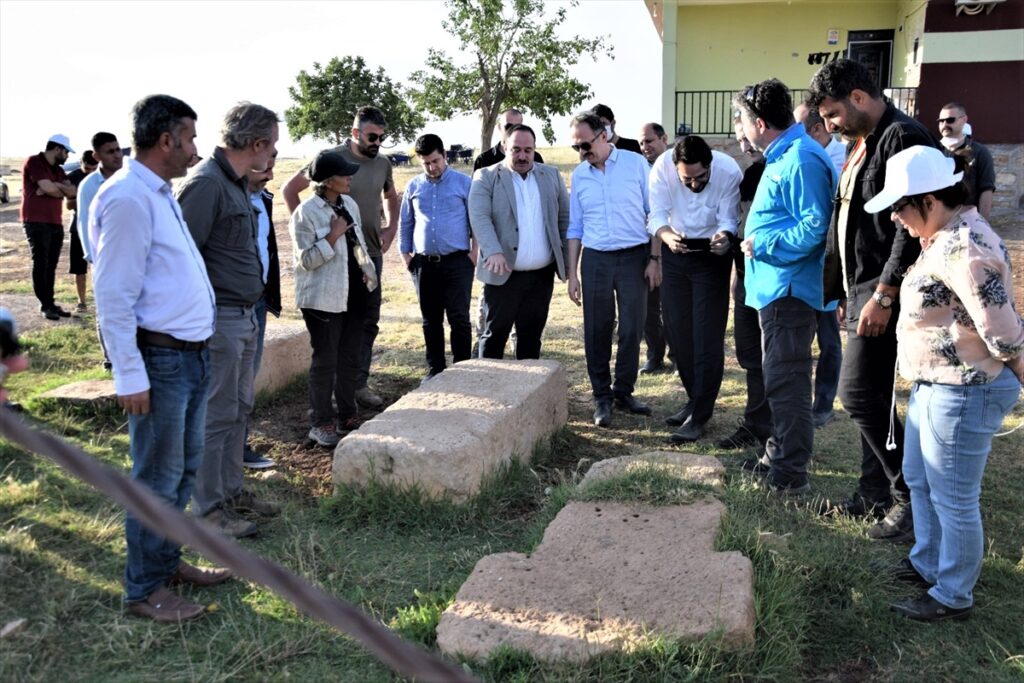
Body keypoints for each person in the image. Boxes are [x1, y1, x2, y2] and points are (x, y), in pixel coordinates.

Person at [862, 146, 1023, 622]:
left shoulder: (968, 246)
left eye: (901, 207)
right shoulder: (943, 237)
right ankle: (929, 562)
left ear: (929, 199)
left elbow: (1002, 330)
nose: (895, 218)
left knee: (953, 495)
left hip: (966, 387)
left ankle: (953, 594)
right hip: (937, 383)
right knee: (921, 480)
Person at [91, 94, 231, 623]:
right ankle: (144, 590)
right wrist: (129, 373)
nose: (195, 148)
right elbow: (114, 295)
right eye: (190, 138)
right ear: (167, 139)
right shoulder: (128, 197)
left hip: (189, 359)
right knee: (156, 477)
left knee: (181, 472)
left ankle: (166, 564)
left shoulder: (157, 193)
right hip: (161, 362)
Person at [808, 58, 938, 539]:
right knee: (875, 397)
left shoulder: (901, 137)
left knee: (858, 393)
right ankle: (872, 494)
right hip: (861, 287)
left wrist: (883, 294)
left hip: (886, 288)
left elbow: (910, 226)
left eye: (833, 114)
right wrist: (842, 289)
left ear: (859, 98)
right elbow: (849, 220)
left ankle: (908, 500)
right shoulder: (863, 141)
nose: (828, 125)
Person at [177, 102, 280, 538]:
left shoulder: (236, 183)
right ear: (256, 144)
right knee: (216, 415)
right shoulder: (205, 184)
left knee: (238, 409)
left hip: (244, 316)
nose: (273, 152)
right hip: (218, 319)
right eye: (272, 145)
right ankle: (209, 510)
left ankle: (232, 491)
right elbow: (181, 259)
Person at [734, 79, 836, 494]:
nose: (739, 128)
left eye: (741, 119)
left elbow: (815, 228)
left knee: (788, 382)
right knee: (779, 379)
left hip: (789, 291)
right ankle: (777, 456)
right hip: (775, 288)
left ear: (759, 122)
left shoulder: (801, 159)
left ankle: (790, 475)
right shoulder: (785, 154)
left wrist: (762, 243)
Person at [283, 106, 400, 411]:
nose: (378, 142)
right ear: (355, 133)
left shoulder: (382, 164)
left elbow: (390, 195)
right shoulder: (330, 159)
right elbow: (290, 190)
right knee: (335, 329)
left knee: (365, 323)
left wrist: (391, 228)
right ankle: (328, 395)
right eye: (373, 136)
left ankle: (356, 386)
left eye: (382, 137)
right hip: (332, 262)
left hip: (368, 255)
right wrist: (316, 228)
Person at [648, 135, 741, 443]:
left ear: (710, 165)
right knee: (677, 329)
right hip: (676, 249)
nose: (693, 184)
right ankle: (693, 398)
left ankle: (701, 414)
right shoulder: (662, 166)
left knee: (706, 335)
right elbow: (657, 213)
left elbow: (729, 218)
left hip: (712, 256)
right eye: (686, 179)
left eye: (701, 177)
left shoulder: (728, 171)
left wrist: (725, 236)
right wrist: (665, 235)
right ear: (676, 168)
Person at [567, 112, 657, 428]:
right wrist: (572, 274)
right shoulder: (579, 175)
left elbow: (654, 214)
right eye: (576, 147)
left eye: (585, 144)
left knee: (632, 327)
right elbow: (575, 226)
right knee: (597, 329)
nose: (581, 152)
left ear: (604, 135)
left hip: (634, 257)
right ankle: (601, 396)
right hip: (596, 261)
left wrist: (654, 259)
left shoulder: (636, 165)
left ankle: (624, 391)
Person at [290, 151, 375, 448]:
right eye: (344, 173)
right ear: (327, 181)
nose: (350, 177)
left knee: (349, 357)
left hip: (352, 293)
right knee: (325, 361)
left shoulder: (349, 203)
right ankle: (321, 422)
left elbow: (359, 245)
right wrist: (333, 236)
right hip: (321, 299)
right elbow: (307, 261)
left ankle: (347, 415)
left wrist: (367, 272)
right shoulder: (305, 213)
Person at [469, 124, 569, 360]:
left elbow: (564, 218)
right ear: (505, 147)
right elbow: (479, 217)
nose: (523, 156)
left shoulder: (551, 175)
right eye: (516, 150)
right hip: (503, 274)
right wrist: (492, 251)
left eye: (528, 150)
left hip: (541, 276)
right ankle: (488, 392)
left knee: (531, 337)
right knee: (494, 337)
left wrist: (566, 261)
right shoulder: (486, 176)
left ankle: (528, 392)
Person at [400, 134, 476, 380]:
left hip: (458, 262)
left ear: (444, 155)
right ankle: (435, 369)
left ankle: (462, 369)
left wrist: (474, 254)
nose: (432, 167)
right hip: (423, 264)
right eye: (426, 163)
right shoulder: (413, 186)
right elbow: (406, 222)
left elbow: (477, 220)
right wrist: (406, 256)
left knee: (459, 318)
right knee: (430, 320)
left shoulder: (464, 183)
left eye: (435, 161)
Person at [717, 119, 771, 451]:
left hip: (774, 283)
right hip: (746, 280)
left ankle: (776, 432)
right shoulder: (747, 176)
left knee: (773, 361)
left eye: (746, 137)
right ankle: (756, 424)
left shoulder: (780, 169)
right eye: (739, 139)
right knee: (750, 357)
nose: (745, 144)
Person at [794, 102, 844, 428]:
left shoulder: (842, 158)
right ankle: (799, 400)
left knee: (828, 338)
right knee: (800, 335)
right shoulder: (799, 156)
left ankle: (823, 404)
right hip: (802, 263)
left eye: (800, 129)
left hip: (828, 264)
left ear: (816, 129)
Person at [242, 154, 281, 470]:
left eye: (273, 164)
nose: (270, 172)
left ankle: (238, 447)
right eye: (264, 165)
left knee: (246, 379)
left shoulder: (263, 198)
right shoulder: (223, 195)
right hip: (230, 305)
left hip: (257, 299)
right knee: (229, 381)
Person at [21, 134, 77, 320]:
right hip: (35, 220)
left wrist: (52, 187)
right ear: (57, 149)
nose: (67, 156)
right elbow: (50, 189)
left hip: (55, 221)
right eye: (66, 152)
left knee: (51, 265)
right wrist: (53, 188)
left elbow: (72, 192)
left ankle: (50, 302)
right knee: (41, 263)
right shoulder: (34, 162)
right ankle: (45, 305)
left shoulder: (58, 170)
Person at [638, 122, 672, 375]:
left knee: (672, 307)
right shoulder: (640, 170)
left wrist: (659, 255)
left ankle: (679, 355)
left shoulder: (676, 166)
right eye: (641, 143)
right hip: (646, 246)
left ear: (664, 139)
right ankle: (654, 355)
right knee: (649, 306)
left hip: (672, 246)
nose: (645, 147)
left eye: (649, 141)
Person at [937, 102, 995, 219]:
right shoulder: (933, 151)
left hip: (967, 221)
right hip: (937, 222)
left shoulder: (979, 152)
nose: (944, 124)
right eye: (941, 121)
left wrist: (982, 224)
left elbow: (986, 189)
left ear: (964, 120)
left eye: (950, 120)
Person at [65, 150, 98, 311]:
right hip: (78, 226)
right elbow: (68, 205)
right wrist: (85, 197)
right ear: (80, 163)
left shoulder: (104, 176)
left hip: (99, 227)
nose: (90, 172)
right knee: (79, 268)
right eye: (87, 169)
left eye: (94, 169)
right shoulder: (72, 177)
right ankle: (82, 302)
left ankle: (100, 300)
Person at [472, 108, 545, 171]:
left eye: (517, 127)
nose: (513, 131)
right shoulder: (483, 160)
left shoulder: (535, 158)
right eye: (508, 126)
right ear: (499, 127)